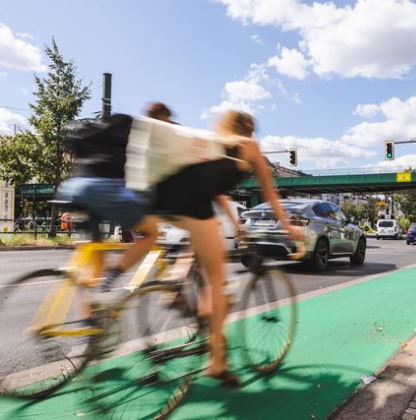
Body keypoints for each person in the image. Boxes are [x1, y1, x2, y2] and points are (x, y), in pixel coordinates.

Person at [152, 109, 303, 385]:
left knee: (200, 243)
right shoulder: (249, 146)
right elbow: (269, 193)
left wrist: (237, 226)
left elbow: (217, 194)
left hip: (163, 200)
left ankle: (177, 283)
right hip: (193, 204)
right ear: (250, 130)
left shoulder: (214, 143)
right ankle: (217, 363)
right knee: (219, 284)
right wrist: (289, 227)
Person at [59, 114, 159, 291]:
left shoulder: (97, 131)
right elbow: (141, 176)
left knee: (96, 269)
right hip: (102, 188)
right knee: (151, 233)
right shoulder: (133, 133)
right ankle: (115, 273)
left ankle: (92, 310)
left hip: (73, 188)